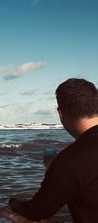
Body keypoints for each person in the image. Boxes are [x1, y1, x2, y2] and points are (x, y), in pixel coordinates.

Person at [9, 78, 98, 222]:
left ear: (61, 113)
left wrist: (11, 203)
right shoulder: (69, 162)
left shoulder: (70, 160)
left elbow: (37, 212)